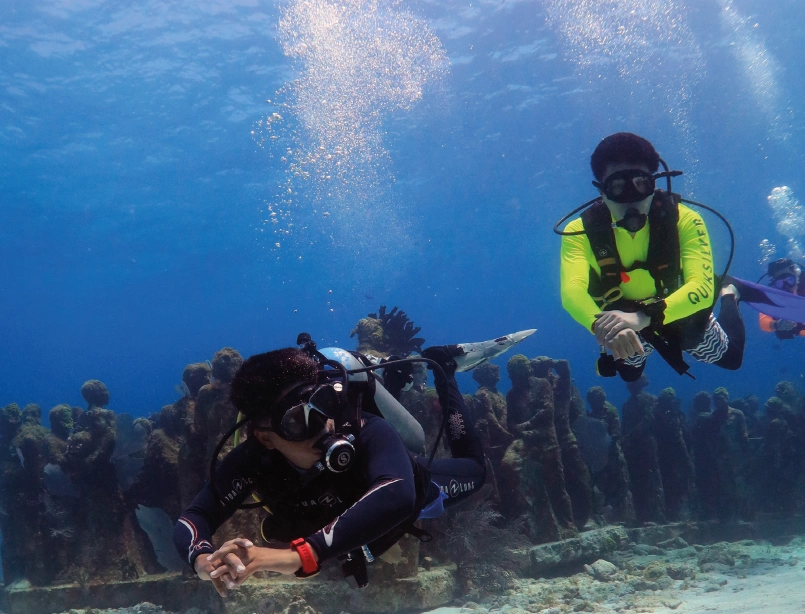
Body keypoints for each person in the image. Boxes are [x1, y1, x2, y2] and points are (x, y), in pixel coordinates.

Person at [173, 344, 485, 596]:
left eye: (323, 402)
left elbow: (400, 493)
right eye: (297, 420)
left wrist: (299, 556)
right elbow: (195, 516)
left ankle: (445, 370)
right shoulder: (253, 459)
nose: (323, 425)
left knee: (475, 469)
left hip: (418, 494)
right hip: (341, 534)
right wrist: (204, 560)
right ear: (264, 438)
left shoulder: (360, 424)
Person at [559, 132, 745, 381]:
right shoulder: (579, 231)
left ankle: (729, 293)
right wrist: (600, 326)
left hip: (677, 305)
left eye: (640, 183)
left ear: (654, 184)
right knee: (629, 374)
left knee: (732, 359)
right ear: (602, 191)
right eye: (617, 186)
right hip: (621, 317)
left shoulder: (686, 220)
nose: (631, 198)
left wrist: (643, 317)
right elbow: (572, 291)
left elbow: (701, 287)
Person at [758, 258, 805, 339]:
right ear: (774, 285)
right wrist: (776, 325)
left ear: (797, 278)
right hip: (792, 328)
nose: (786, 286)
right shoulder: (772, 296)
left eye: (790, 280)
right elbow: (763, 321)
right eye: (780, 283)